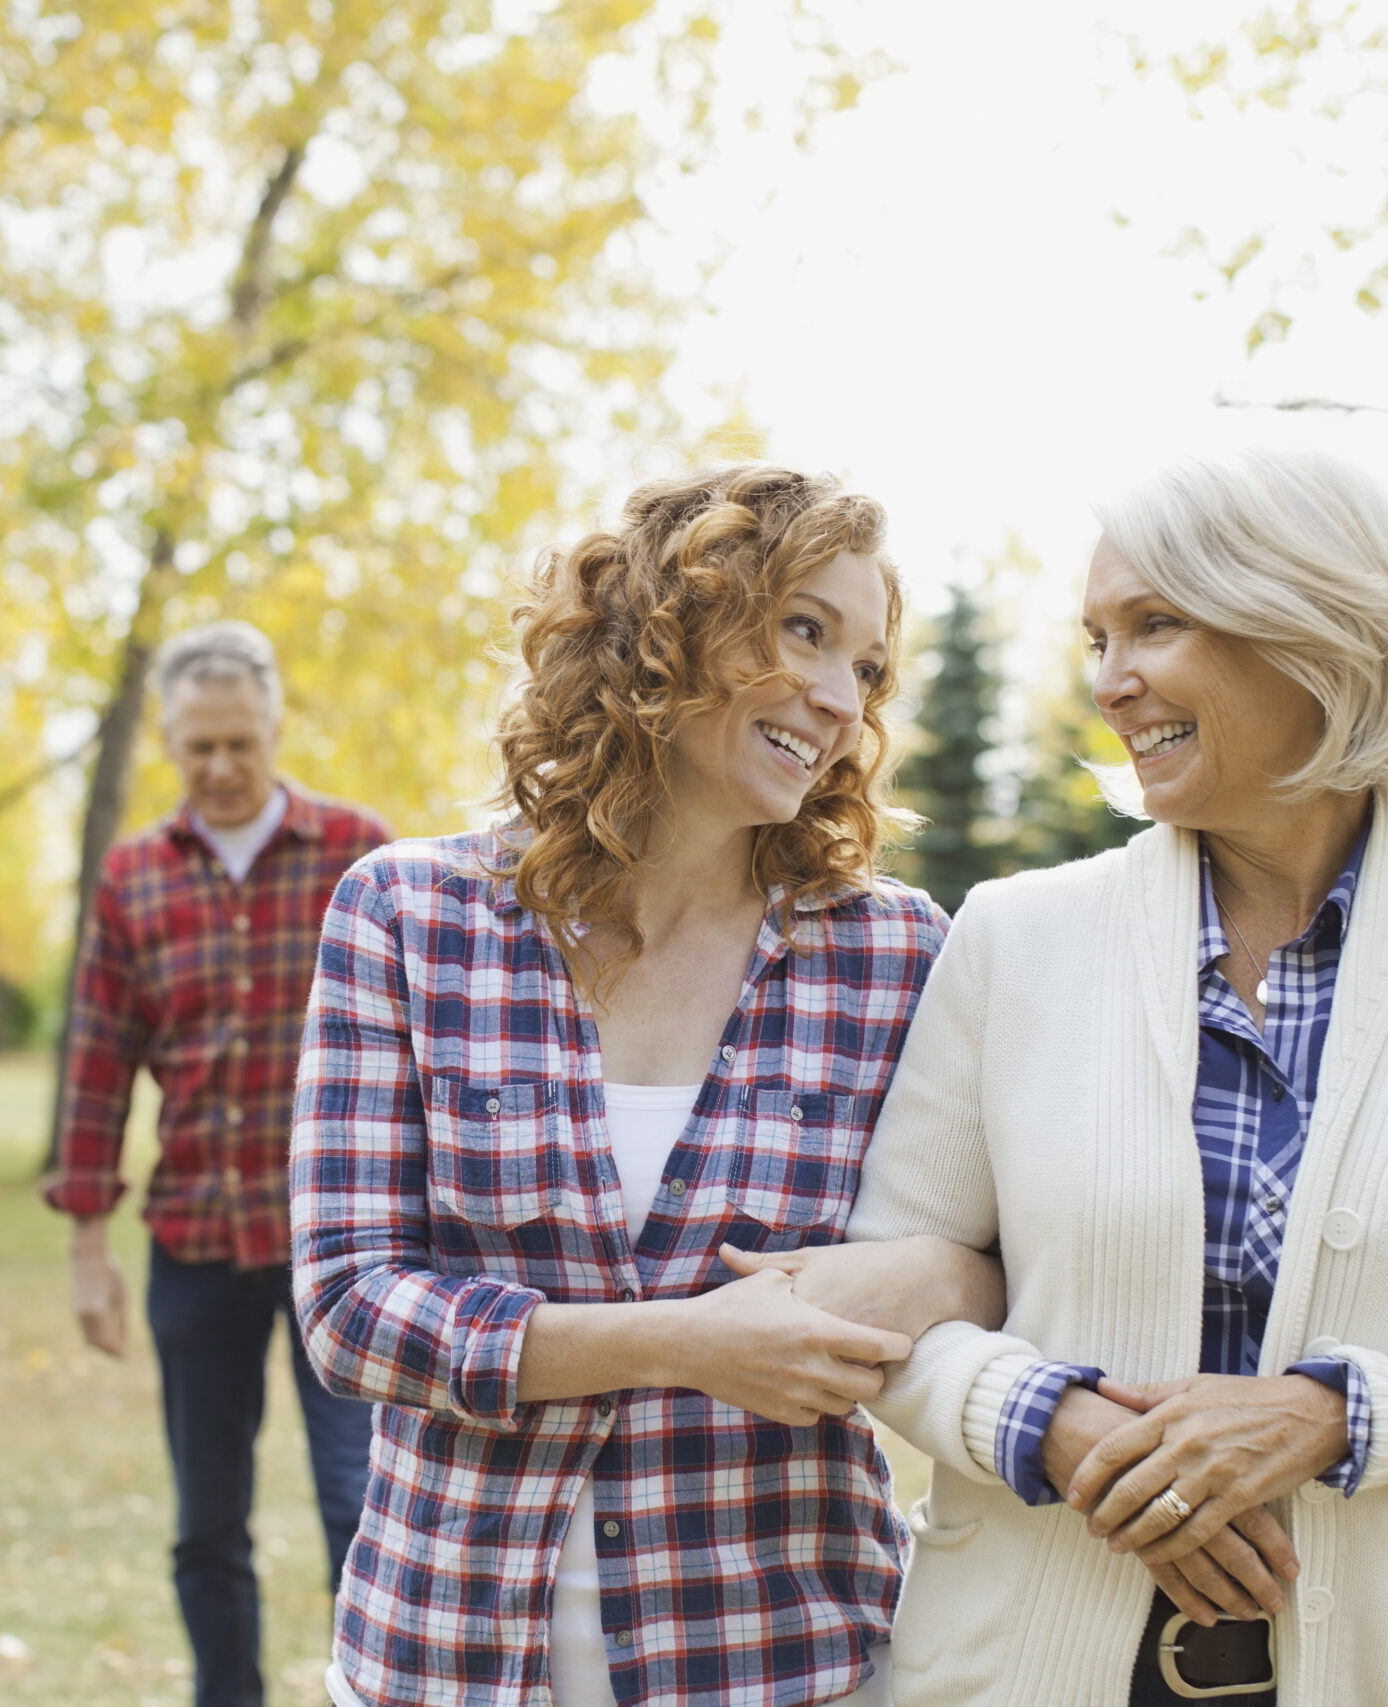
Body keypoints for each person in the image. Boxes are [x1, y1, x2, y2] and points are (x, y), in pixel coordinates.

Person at [758, 447, 1388, 1705]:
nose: (1107, 682)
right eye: (1096, 637)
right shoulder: (1013, 938)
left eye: (1155, 624)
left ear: (1314, 632)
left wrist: (1335, 1416)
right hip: (1011, 1665)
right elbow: (893, 1303)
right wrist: (1057, 1425)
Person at [290, 466, 1002, 1707]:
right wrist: (680, 1343)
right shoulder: (407, 915)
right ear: (669, 625)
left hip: (780, 1660)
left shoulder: (893, 953)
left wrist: (942, 1276)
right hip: (445, 1654)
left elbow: (993, 1262)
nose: (839, 700)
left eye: (868, 670)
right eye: (802, 633)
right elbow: (350, 1308)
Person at [46, 620, 392, 1707]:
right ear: (170, 744)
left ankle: (370, 1688)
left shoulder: (359, 852)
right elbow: (99, 1065)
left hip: (342, 1247)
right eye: (197, 749)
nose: (221, 768)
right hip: (194, 1243)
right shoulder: (135, 877)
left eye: (240, 743)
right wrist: (87, 1249)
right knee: (207, 1519)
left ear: (275, 730)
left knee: (361, 1499)